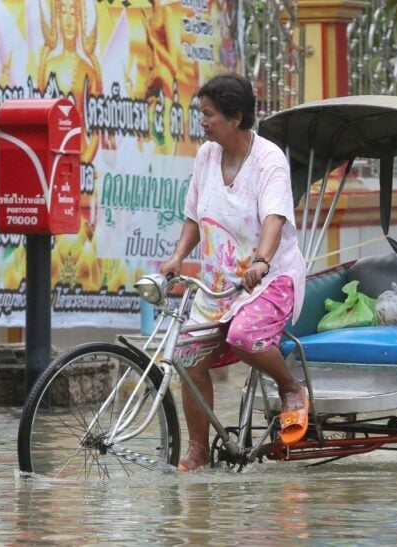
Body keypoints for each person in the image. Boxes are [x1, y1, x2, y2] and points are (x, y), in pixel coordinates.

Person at [159, 73, 308, 471]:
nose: (202, 122)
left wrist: (261, 260)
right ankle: (198, 449)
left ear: (236, 116)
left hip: (270, 279)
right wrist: (177, 257)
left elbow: (275, 217)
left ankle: (291, 387)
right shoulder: (206, 156)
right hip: (220, 285)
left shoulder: (268, 160)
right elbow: (194, 217)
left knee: (245, 335)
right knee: (187, 355)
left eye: (208, 114)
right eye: (201, 113)